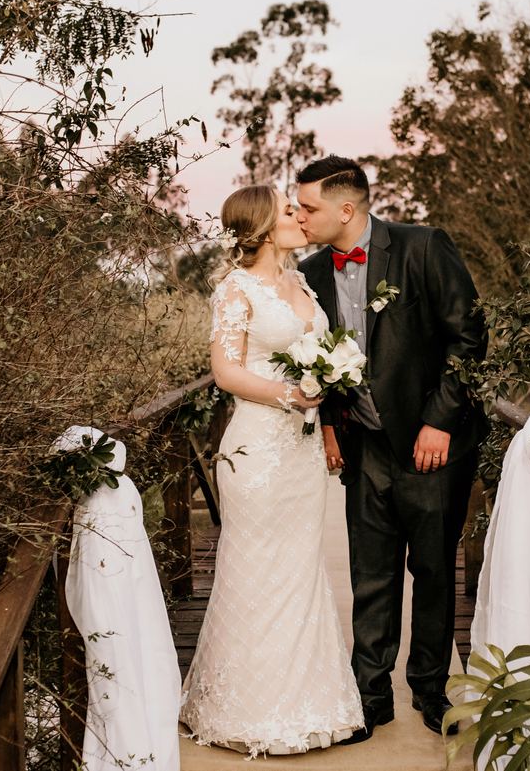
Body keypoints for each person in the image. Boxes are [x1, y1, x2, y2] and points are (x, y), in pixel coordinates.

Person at [296, 156, 488, 741]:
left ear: (345, 209)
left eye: (308, 208)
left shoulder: (422, 246)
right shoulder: (310, 272)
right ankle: (370, 698)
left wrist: (440, 422)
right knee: (371, 574)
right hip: (364, 444)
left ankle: (430, 689)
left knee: (432, 570)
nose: (300, 217)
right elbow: (315, 357)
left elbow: (469, 336)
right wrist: (331, 424)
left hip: (431, 446)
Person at [178, 185, 364, 756]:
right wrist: (291, 393)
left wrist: (328, 384)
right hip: (257, 449)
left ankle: (310, 703)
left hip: (302, 455)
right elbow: (226, 371)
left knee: (301, 568)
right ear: (261, 227)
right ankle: (245, 710)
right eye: (289, 211)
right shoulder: (236, 288)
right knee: (255, 567)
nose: (300, 218)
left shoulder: (302, 282)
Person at [59, 426, 181, 771]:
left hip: (104, 540)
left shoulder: (105, 497)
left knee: (111, 624)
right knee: (128, 625)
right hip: (109, 528)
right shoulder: (122, 488)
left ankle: (123, 742)